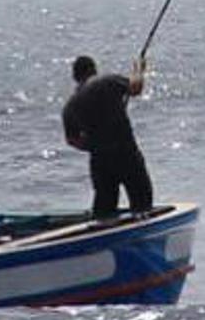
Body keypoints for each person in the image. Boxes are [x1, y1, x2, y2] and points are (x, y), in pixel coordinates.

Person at [62, 55, 153, 219]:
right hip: (126, 154)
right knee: (142, 202)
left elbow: (72, 140)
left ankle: (103, 230)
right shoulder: (107, 81)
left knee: (104, 208)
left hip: (100, 161)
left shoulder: (70, 106)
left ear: (75, 77)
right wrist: (139, 69)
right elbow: (135, 88)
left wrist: (94, 145)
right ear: (94, 70)